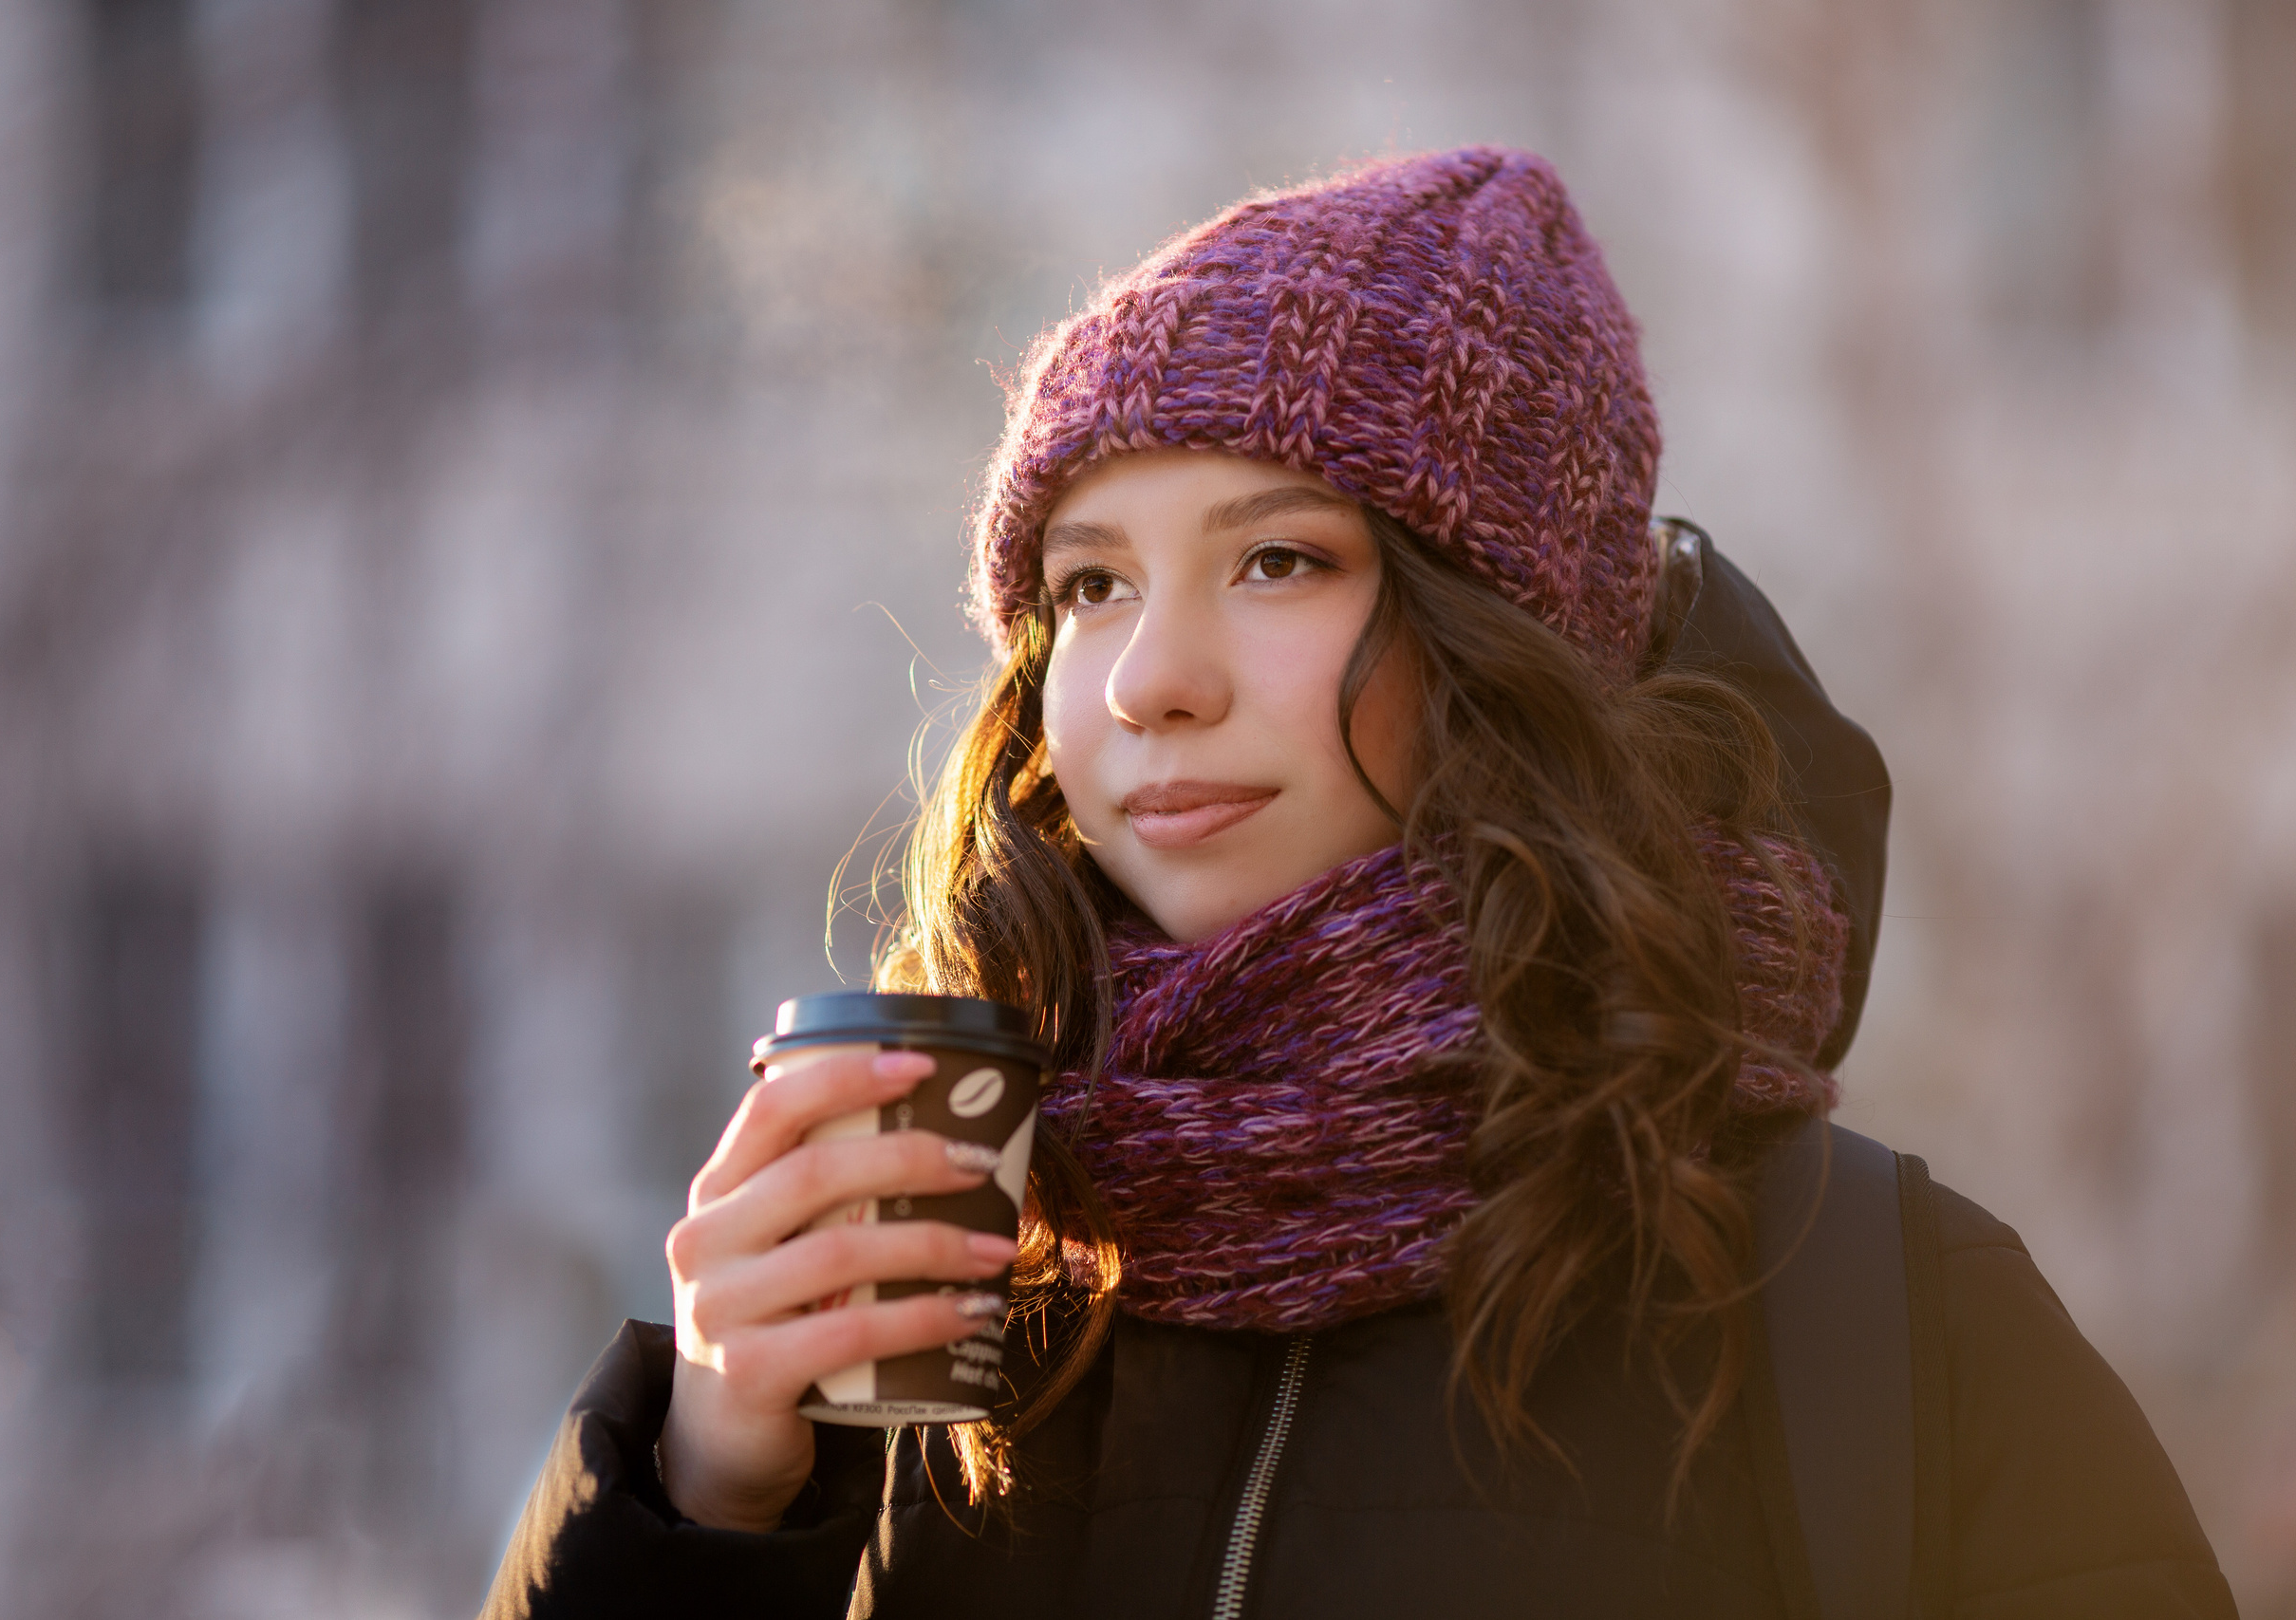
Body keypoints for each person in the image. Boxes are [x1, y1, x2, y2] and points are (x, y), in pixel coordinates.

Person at [481, 148, 2236, 1618]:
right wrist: (709, 1489)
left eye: (1277, 558)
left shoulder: (1863, 1313)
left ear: (1511, 646)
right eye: (1087, 585)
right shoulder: (942, 1284)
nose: (1152, 675)